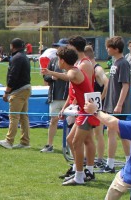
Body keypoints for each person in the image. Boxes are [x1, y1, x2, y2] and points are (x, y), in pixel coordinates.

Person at [42, 39, 98, 185]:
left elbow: (69, 77)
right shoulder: (75, 69)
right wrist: (65, 108)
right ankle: (79, 172)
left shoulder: (74, 71)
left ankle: (80, 176)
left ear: (62, 60)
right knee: (71, 140)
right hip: (83, 112)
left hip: (86, 112)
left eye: (58, 59)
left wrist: (50, 72)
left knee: (77, 142)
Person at [99, 36, 131, 173]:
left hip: (118, 106)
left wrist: (119, 104)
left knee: (119, 133)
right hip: (111, 104)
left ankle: (114, 164)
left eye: (109, 47)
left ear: (116, 49)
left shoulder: (123, 63)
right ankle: (122, 162)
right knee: (116, 133)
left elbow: (125, 85)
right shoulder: (115, 63)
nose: (107, 49)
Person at [0, 38, 31, 150]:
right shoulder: (24, 56)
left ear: (12, 46)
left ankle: (9, 141)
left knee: (14, 116)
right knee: (23, 117)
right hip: (26, 88)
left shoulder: (16, 58)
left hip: (19, 90)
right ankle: (25, 142)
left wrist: (6, 92)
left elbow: (13, 76)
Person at [41, 39, 70, 153]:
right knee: (53, 121)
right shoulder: (53, 61)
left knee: (69, 123)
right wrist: (52, 77)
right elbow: (45, 76)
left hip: (68, 97)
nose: (59, 49)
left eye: (61, 47)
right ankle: (49, 145)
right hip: (55, 96)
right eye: (58, 47)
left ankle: (68, 146)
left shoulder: (71, 61)